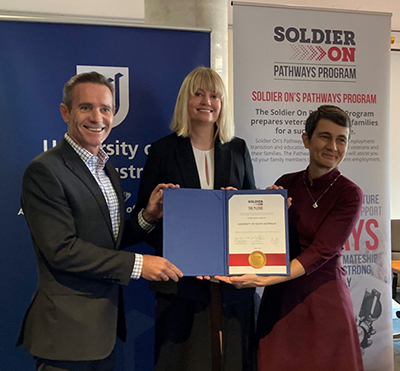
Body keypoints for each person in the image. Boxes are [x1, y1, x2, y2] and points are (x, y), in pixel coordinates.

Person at [16, 71, 183, 371]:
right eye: (86, 107)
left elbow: (107, 241)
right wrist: (139, 264)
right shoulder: (45, 171)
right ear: (65, 112)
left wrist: (147, 216)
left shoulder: (107, 170)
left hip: (102, 332)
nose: (97, 117)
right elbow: (62, 250)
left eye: (105, 109)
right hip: (66, 335)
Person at [218, 105, 364, 371]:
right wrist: (235, 205)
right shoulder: (286, 183)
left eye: (341, 139)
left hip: (325, 301)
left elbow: (321, 251)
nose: (333, 146)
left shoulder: (349, 193)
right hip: (281, 301)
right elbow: (260, 235)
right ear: (306, 139)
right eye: (324, 136)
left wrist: (265, 278)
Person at [132, 67, 257, 371]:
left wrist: (238, 206)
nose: (207, 101)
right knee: (182, 362)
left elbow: (253, 216)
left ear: (223, 103)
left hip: (232, 284)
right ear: (185, 100)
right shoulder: (164, 150)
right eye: (198, 93)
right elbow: (145, 218)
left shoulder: (238, 148)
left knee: (234, 362)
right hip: (180, 284)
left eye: (215, 95)